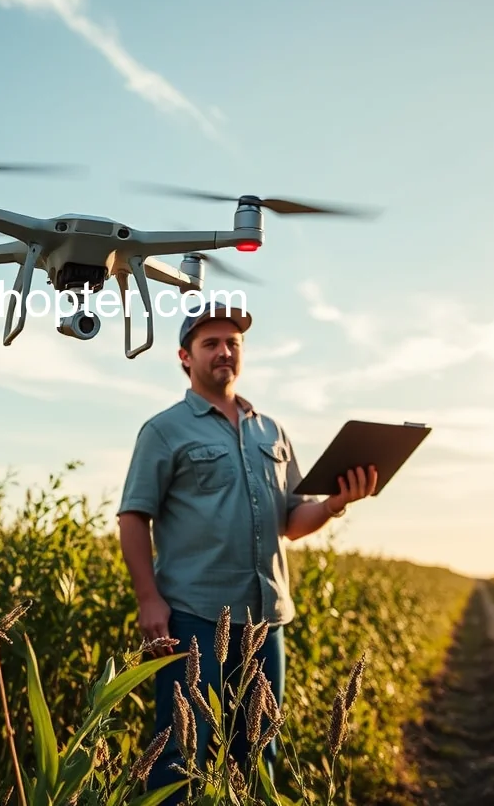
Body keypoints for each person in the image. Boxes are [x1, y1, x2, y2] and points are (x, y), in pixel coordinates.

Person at [116, 299, 376, 799]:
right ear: (184, 357)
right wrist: (149, 599)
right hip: (192, 618)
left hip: (266, 620)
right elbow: (134, 516)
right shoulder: (163, 430)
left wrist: (336, 503)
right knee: (180, 753)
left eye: (233, 343)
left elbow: (292, 522)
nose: (224, 352)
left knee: (259, 750)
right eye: (210, 343)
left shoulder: (271, 430)